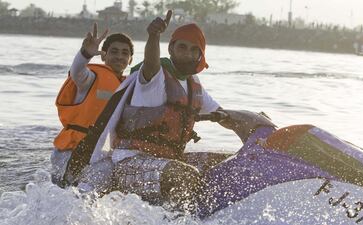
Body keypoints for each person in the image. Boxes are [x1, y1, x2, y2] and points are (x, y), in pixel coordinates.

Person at [81, 10, 230, 213]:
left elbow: (226, 115)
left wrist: (257, 126)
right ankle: (179, 219)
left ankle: (213, 211)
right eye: (182, 47)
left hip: (167, 161)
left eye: (193, 50)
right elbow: (151, 62)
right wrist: (154, 36)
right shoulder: (154, 76)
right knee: (184, 175)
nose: (187, 53)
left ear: (200, 55)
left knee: (229, 160)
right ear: (171, 48)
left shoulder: (194, 86)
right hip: (129, 163)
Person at [51, 23, 134, 186]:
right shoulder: (90, 78)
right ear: (103, 56)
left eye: (125, 53)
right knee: (65, 194)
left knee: (92, 193)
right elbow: (77, 71)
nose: (119, 56)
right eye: (114, 51)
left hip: (99, 155)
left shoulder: (129, 86)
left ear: (130, 60)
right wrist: (85, 54)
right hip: (70, 151)